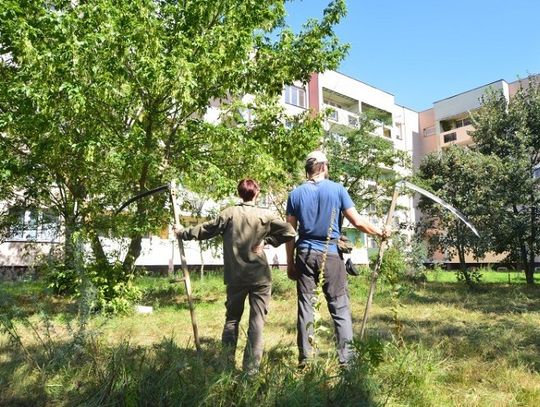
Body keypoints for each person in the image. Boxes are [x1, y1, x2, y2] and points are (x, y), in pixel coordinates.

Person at [178, 179, 296, 373]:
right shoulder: (266, 215)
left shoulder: (229, 213)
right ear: (256, 193)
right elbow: (290, 232)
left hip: (236, 276)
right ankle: (251, 370)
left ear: (239, 193)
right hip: (260, 277)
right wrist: (268, 240)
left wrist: (183, 232)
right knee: (257, 322)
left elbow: (207, 229)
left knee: (232, 319)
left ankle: (226, 365)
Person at [285, 150, 388, 368]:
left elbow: (289, 233)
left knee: (306, 307)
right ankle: (347, 362)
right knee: (339, 307)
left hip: (304, 254)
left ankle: (305, 360)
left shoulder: (295, 195)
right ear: (322, 166)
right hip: (331, 254)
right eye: (328, 165)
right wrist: (380, 232)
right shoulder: (338, 190)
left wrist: (290, 263)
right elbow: (358, 222)